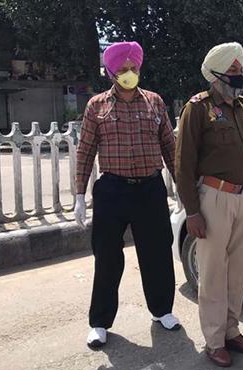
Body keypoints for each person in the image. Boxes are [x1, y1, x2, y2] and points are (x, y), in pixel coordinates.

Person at [75, 41, 181, 349]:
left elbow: (169, 148)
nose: (129, 73)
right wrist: (80, 194)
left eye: (133, 68)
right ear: (111, 73)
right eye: (122, 69)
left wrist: (181, 189)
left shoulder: (154, 102)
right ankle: (100, 321)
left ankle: (162, 310)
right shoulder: (97, 106)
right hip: (113, 190)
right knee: (107, 257)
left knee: (158, 253)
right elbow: (85, 151)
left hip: (150, 188)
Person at [175, 42, 243, 368]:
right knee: (213, 273)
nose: (239, 76)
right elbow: (184, 164)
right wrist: (192, 211)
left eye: (240, 70)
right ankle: (214, 340)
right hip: (215, 198)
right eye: (233, 71)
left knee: (238, 271)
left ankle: (231, 329)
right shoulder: (197, 108)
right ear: (216, 74)